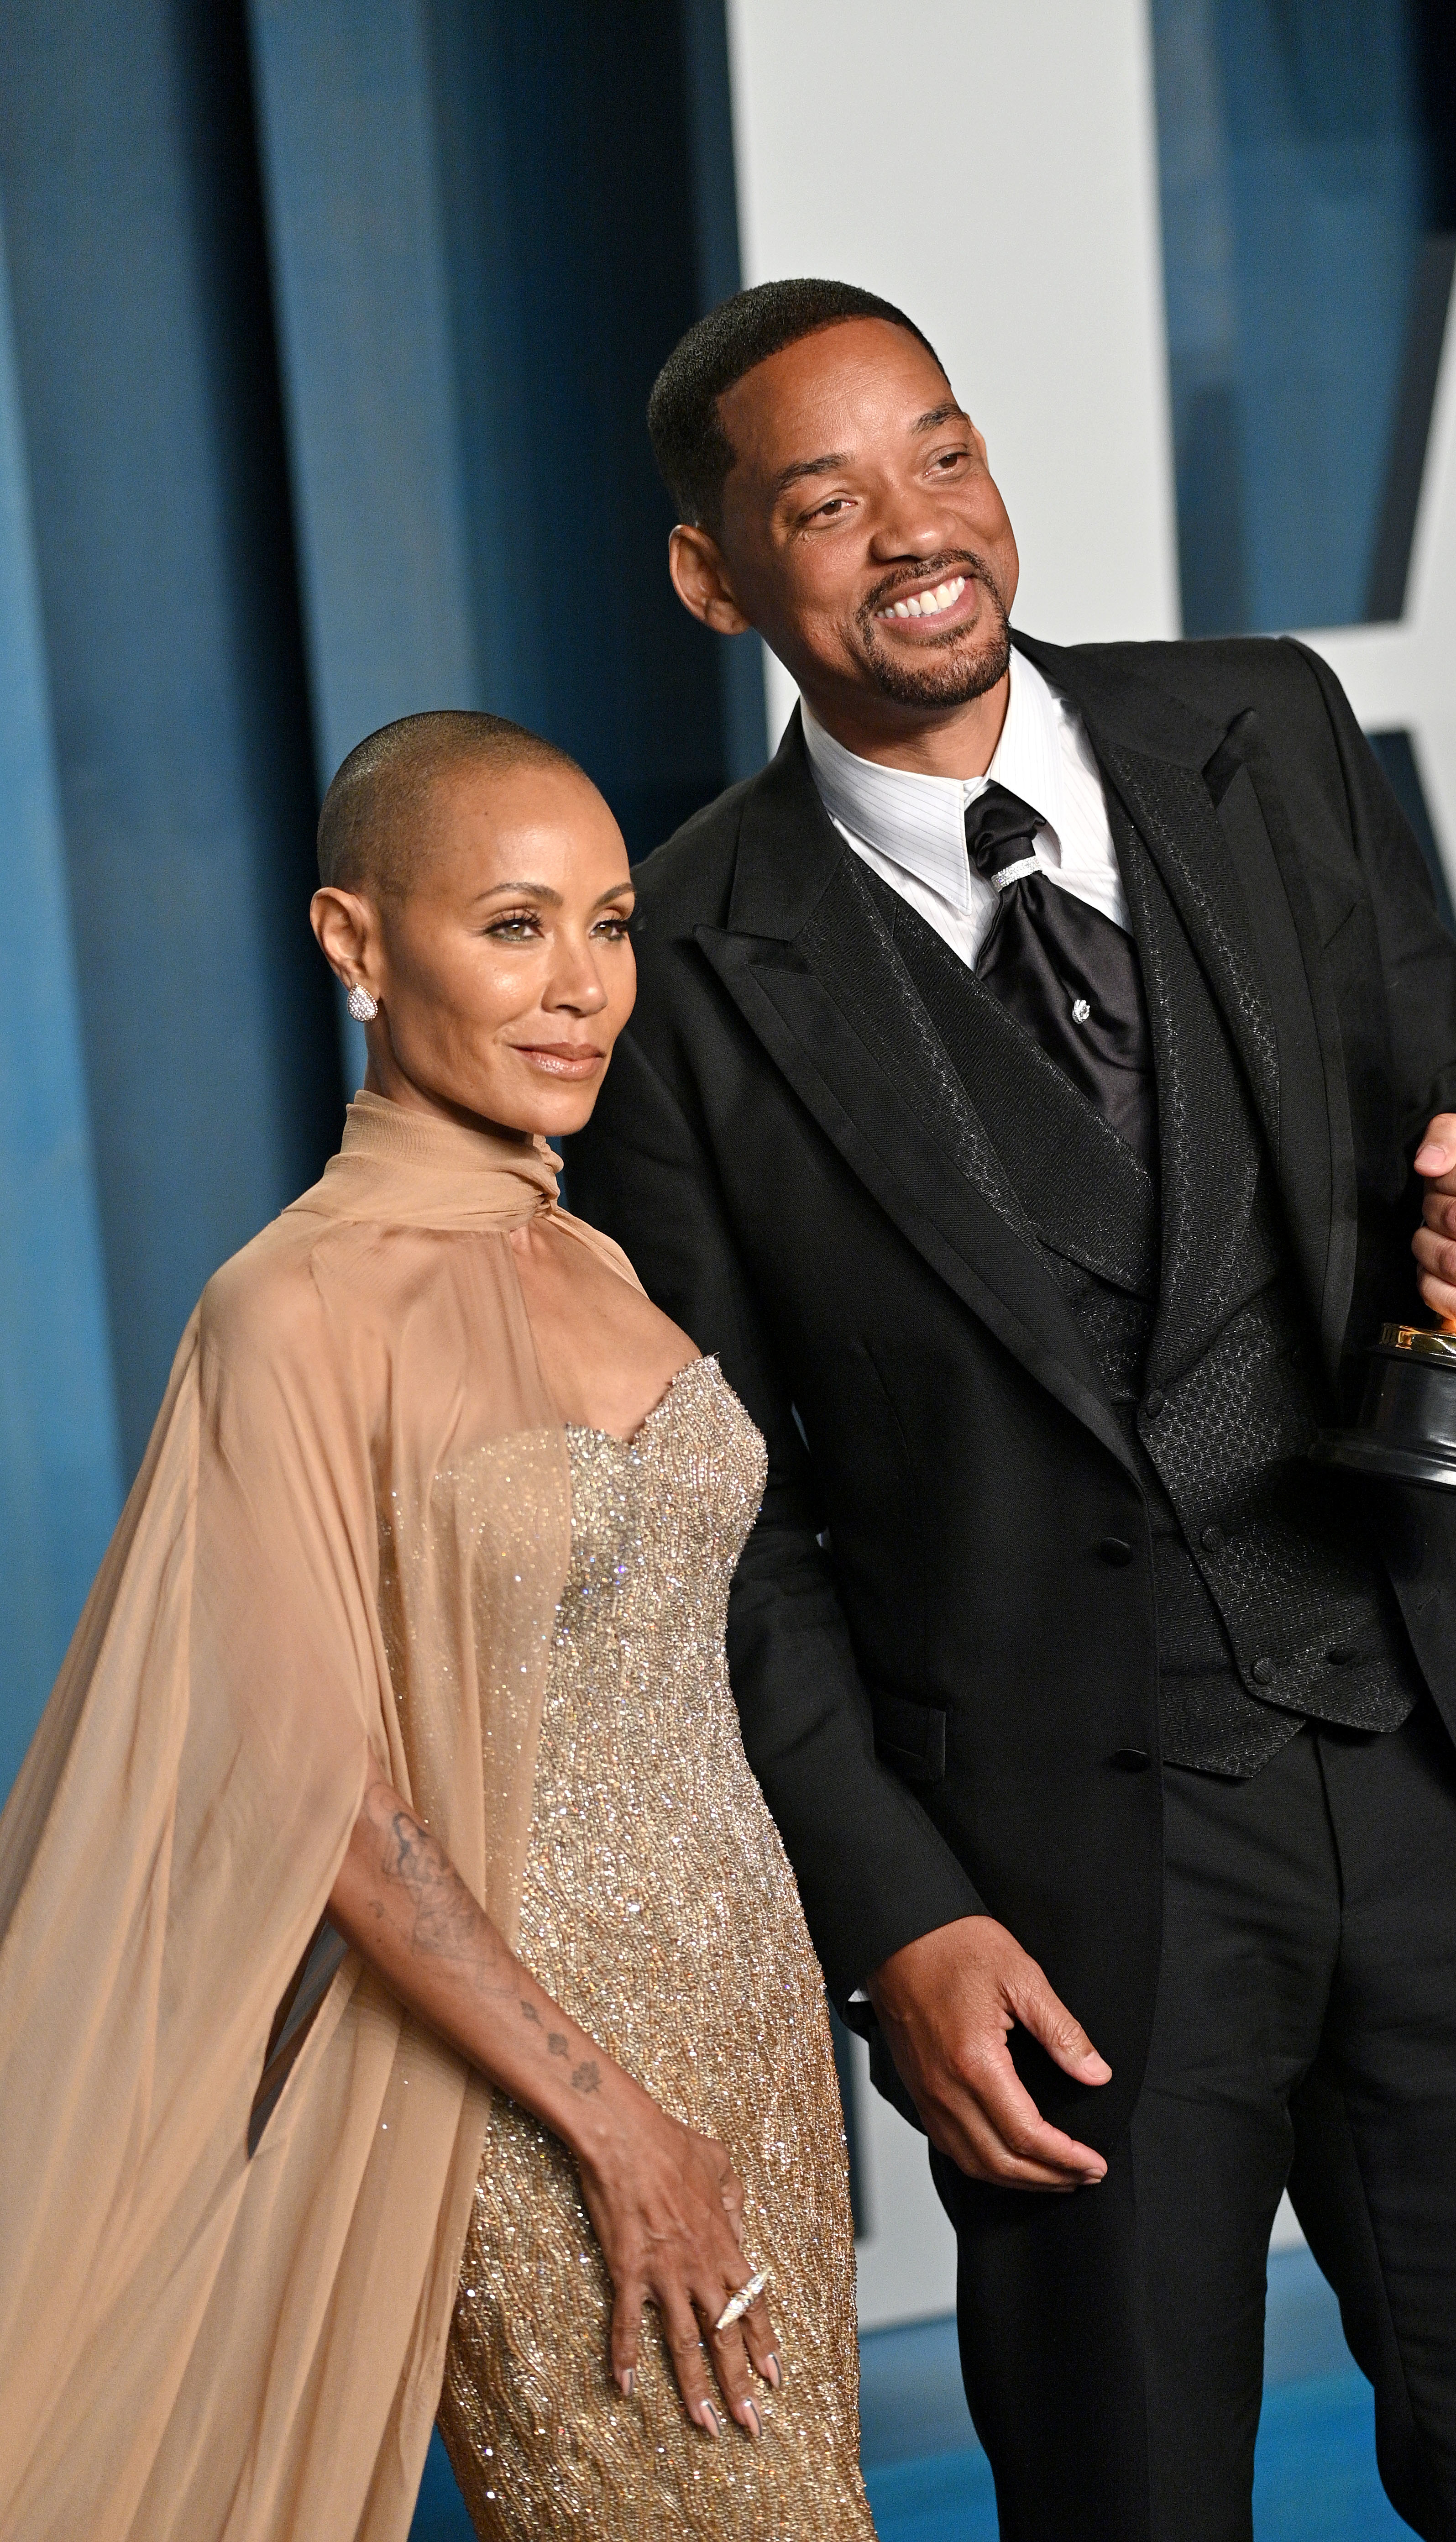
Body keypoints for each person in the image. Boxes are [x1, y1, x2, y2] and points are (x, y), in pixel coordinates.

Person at [567, 279, 1456, 2541]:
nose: (916, 531)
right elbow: (725, 1539)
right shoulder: (672, 974)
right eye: (825, 498)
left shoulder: (1268, 733)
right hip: (1068, 1912)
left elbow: (1436, 1196)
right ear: (712, 576)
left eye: (944, 454)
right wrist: (899, 1918)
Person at [0, 711, 876, 2542]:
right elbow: (320, 1796)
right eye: (513, 927)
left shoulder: (596, 1255)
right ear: (354, 944)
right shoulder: (289, 1312)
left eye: (611, 925)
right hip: (538, 2100)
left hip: (753, 2029)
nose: (582, 990)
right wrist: (615, 2125)